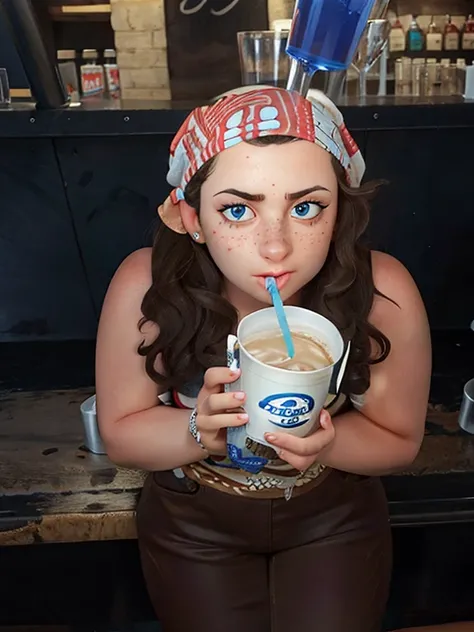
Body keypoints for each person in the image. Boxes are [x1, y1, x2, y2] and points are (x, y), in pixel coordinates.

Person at [95, 87, 431, 632]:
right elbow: (121, 435)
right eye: (237, 209)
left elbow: (400, 442)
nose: (275, 247)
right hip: (192, 521)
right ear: (191, 215)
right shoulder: (147, 285)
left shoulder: (382, 292)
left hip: (334, 516)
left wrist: (330, 441)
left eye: (305, 207)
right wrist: (196, 429)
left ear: (339, 209)